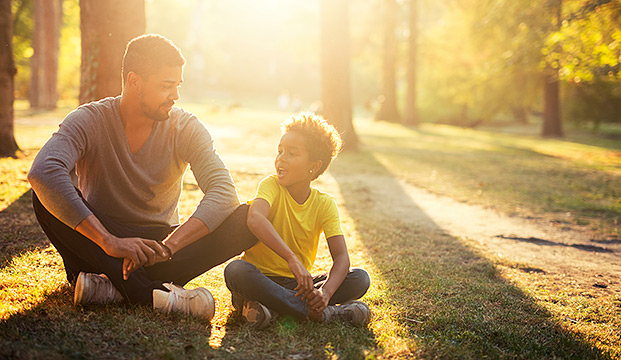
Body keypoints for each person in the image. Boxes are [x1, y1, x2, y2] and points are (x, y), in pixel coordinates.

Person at [27, 34, 257, 320]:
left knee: (247, 218)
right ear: (134, 81)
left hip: (158, 248)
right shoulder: (90, 119)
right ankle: (152, 295)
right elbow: (44, 171)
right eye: (166, 86)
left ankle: (111, 287)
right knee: (43, 195)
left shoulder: (186, 127)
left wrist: (169, 246)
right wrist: (110, 242)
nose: (175, 95)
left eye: (177, 85)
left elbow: (223, 192)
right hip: (99, 243)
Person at [224, 113, 371, 329]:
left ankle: (273, 310)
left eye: (292, 153)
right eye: (280, 151)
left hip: (299, 286)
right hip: (259, 280)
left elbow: (341, 258)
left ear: (314, 166)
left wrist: (325, 292)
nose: (281, 158)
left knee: (360, 278)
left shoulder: (324, 204)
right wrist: (292, 259)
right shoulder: (270, 186)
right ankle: (323, 314)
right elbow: (255, 219)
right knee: (235, 270)